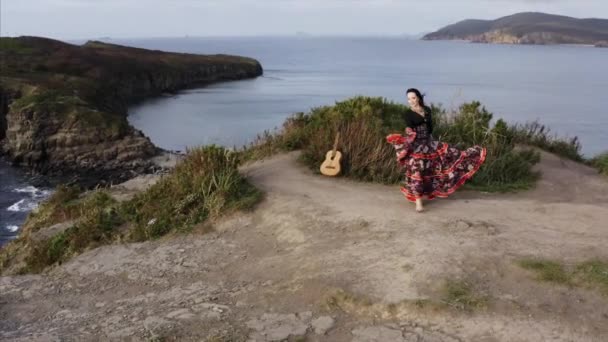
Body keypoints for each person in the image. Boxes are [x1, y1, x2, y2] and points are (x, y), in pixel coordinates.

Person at [386, 88, 486, 212]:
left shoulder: (427, 110)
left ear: (418, 97)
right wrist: (408, 135)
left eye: (412, 98)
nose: (410, 101)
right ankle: (418, 203)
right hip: (416, 145)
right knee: (417, 170)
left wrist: (427, 123)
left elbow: (430, 129)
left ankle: (472, 155)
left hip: (429, 142)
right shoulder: (408, 113)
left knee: (450, 154)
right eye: (408, 98)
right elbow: (409, 128)